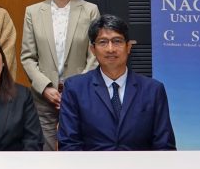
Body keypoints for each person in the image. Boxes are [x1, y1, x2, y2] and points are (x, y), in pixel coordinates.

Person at [20, 0, 100, 151]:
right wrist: (45, 88)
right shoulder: (33, 12)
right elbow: (28, 57)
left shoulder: (90, 10)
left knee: (78, 151)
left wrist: (75, 88)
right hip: (44, 97)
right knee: (44, 154)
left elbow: (94, 55)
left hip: (81, 95)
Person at [58, 15, 177, 151]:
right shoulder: (75, 88)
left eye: (117, 41)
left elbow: (164, 145)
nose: (110, 49)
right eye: (103, 42)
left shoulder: (153, 90)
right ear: (93, 50)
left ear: (128, 46)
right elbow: (69, 144)